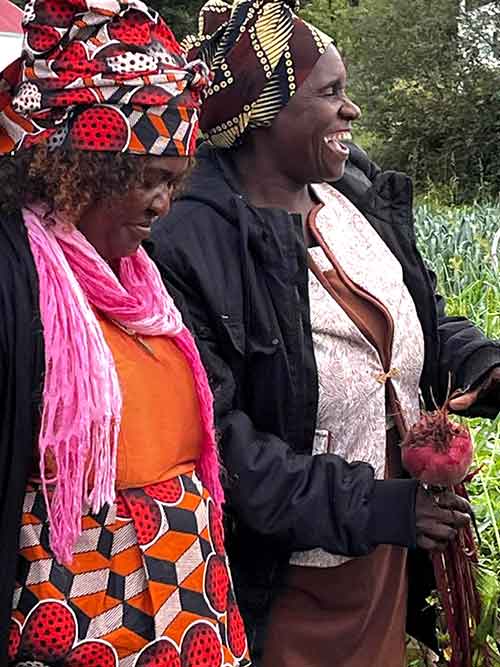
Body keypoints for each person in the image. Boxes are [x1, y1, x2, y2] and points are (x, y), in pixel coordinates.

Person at [149, 1, 500, 666]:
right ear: (264, 113)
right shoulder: (192, 244)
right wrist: (372, 505)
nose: (352, 111)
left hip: (390, 545)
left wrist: (478, 363)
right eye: (330, 93)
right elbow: (215, 437)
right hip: (289, 577)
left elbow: (412, 311)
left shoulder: (352, 192)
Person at [0, 2, 250, 666]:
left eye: (174, 182)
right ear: (85, 167)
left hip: (187, 603)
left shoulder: (144, 285)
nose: (163, 204)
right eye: (147, 179)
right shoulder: (19, 283)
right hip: (83, 616)